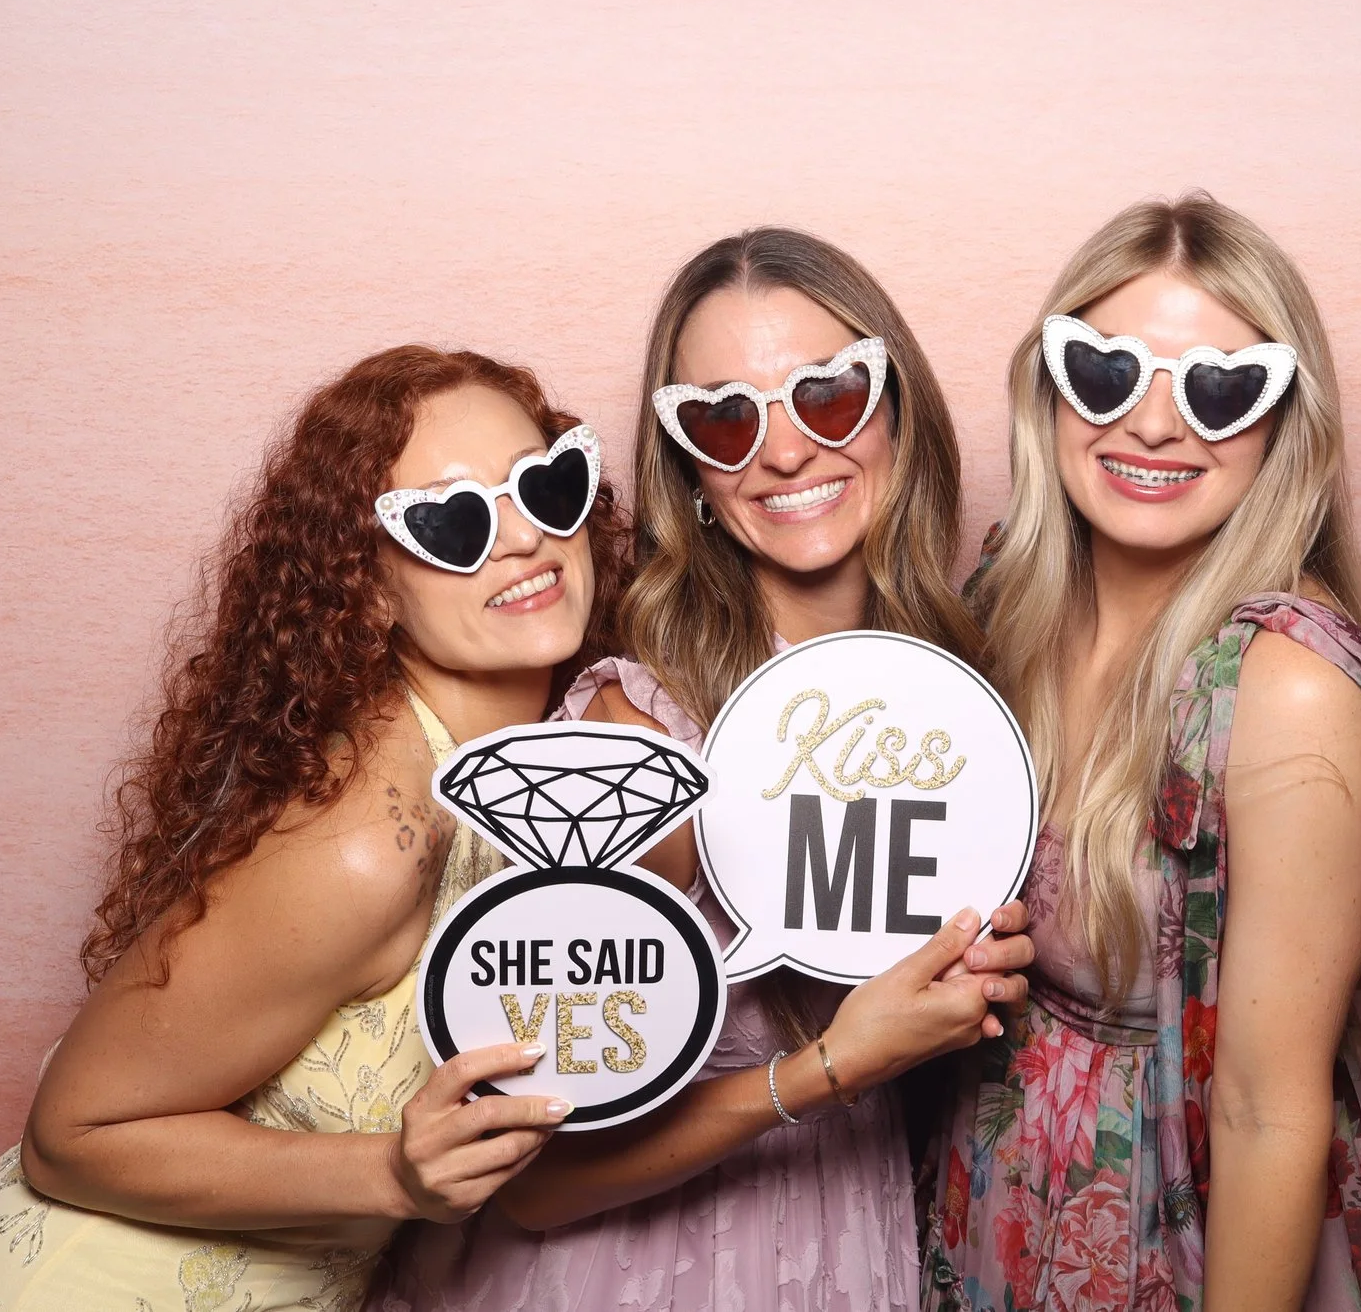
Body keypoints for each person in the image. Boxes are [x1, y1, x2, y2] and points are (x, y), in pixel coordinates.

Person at [0, 346, 634, 1312]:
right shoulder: (366, 838)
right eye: (453, 521)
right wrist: (392, 1179)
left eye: (547, 483)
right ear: (366, 588)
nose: (525, 538)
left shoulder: (522, 769)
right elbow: (73, 1132)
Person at [381, 229, 1032, 1312]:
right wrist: (829, 1066)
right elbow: (531, 1181)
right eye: (724, 416)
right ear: (686, 467)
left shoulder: (949, 705)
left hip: (848, 1236)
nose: (782, 452)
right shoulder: (637, 737)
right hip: (639, 1274)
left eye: (826, 395)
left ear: (897, 414)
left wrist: (968, 976)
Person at [923, 194, 1361, 1312]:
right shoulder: (1001, 606)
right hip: (1002, 1187)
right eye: (1106, 372)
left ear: (1281, 420)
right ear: (1050, 389)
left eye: (1215, 388)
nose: (1154, 425)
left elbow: (1266, 1107)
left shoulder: (1289, 686)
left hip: (1185, 1225)